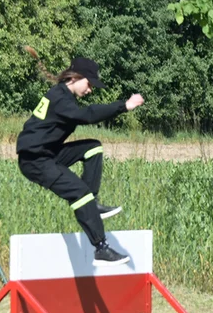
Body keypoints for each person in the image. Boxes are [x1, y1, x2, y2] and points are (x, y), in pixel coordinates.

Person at [16, 57, 143, 265]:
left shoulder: (62, 95)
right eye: (89, 84)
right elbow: (88, 115)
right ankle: (101, 248)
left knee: (93, 147)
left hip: (48, 153)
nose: (90, 90)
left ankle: (92, 203)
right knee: (79, 193)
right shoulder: (61, 99)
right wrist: (124, 106)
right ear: (76, 78)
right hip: (35, 160)